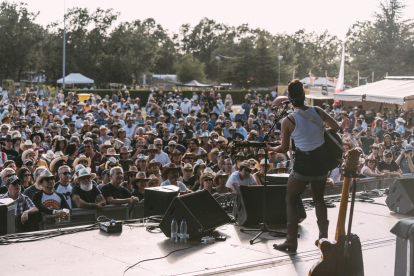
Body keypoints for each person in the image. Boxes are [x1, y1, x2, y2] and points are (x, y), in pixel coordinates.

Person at [267, 79, 340, 252]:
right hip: (321, 164)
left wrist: (271, 148)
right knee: (318, 198)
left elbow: (284, 148)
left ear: (289, 98)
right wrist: (317, 135)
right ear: (304, 95)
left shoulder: (288, 120)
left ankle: (291, 242)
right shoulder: (318, 111)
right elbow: (335, 127)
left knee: (291, 198)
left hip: (303, 165)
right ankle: (323, 239)